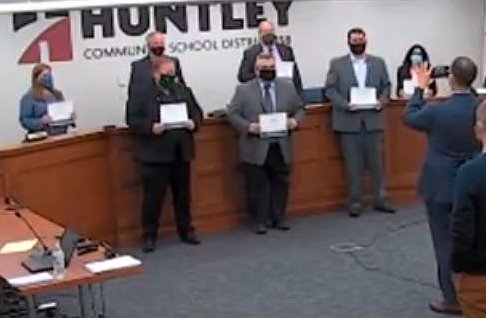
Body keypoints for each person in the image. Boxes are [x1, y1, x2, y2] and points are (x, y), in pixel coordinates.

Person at [403, 57, 480, 315]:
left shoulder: (437, 111)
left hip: (440, 186)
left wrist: (419, 88)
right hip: (475, 184)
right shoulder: (480, 109)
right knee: (475, 237)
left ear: (451, 79)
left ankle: (452, 298)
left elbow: (410, 116)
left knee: (444, 243)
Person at [125, 56, 203, 253]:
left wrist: (193, 124)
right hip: (155, 155)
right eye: (166, 74)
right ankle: (149, 235)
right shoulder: (142, 94)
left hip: (180, 152)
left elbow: (197, 114)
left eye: (173, 73)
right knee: (153, 198)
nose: (171, 77)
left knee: (183, 196)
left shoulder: (183, 91)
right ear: (155, 73)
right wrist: (151, 128)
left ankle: (186, 230)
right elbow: (132, 120)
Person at [227, 53, 305, 234]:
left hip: (281, 144)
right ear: (256, 70)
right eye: (264, 69)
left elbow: (300, 108)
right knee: (256, 184)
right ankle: (259, 220)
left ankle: (279, 217)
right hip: (256, 145)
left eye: (272, 69)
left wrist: (295, 121)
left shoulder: (287, 87)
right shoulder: (243, 90)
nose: (268, 72)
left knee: (281, 182)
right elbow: (232, 114)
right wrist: (248, 127)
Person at [325, 27, 395, 217]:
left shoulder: (378, 63)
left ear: (366, 41)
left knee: (377, 164)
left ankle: (381, 199)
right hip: (349, 121)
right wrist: (346, 105)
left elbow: (387, 86)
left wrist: (382, 101)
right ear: (348, 43)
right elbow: (330, 90)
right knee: (352, 165)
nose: (358, 44)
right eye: (354, 41)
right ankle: (355, 202)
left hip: (373, 120)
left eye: (360, 40)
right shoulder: (337, 64)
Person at [451, 99, 486, 318]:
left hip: (480, 274)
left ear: (478, 128)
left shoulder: (470, 173)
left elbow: (462, 229)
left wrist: (458, 266)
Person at [237, 20, 303, 95]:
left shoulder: (287, 50)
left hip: (285, 92)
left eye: (271, 31)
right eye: (265, 32)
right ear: (259, 34)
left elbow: (296, 76)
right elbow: (242, 76)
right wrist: (263, 74)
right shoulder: (251, 53)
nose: (269, 34)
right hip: (262, 94)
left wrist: (299, 95)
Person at [19, 63, 74, 136]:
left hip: (61, 135)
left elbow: (64, 114)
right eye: (45, 76)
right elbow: (24, 120)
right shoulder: (29, 97)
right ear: (36, 78)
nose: (48, 78)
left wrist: (70, 116)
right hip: (41, 137)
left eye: (50, 75)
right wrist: (41, 121)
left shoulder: (57, 94)